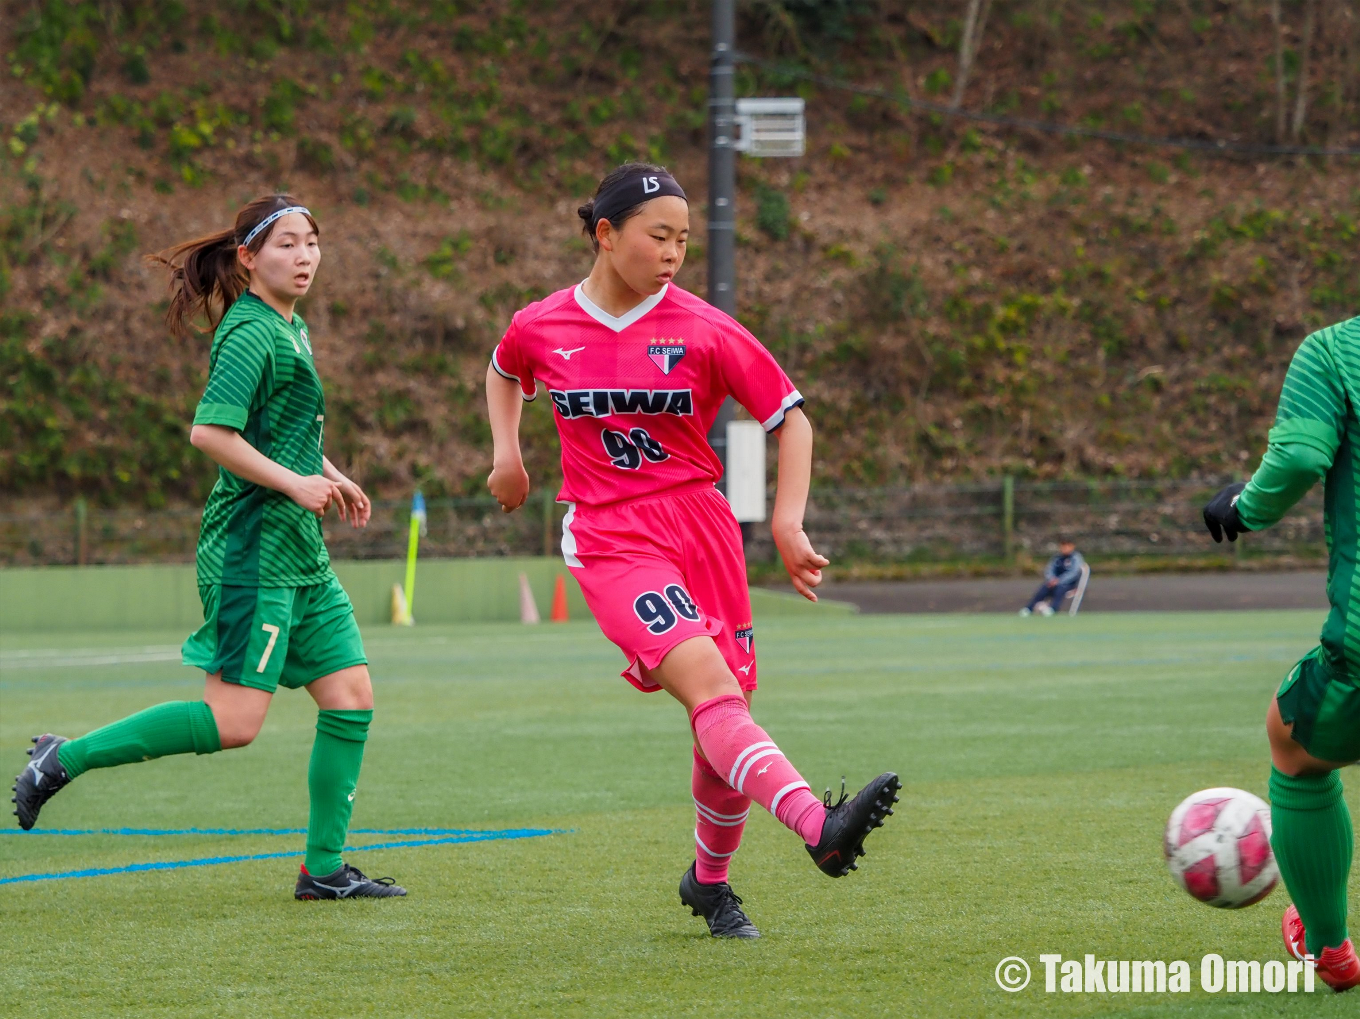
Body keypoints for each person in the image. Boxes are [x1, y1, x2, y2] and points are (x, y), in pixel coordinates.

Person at [485, 162, 899, 939]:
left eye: (684, 238)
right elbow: (505, 368)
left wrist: (786, 522)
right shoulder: (543, 323)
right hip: (610, 535)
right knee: (710, 685)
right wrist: (508, 453)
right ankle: (820, 826)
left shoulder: (703, 327)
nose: (674, 251)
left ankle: (709, 884)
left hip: (701, 531)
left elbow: (791, 414)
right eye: (659, 235)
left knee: (725, 715)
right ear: (606, 235)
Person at [10, 195, 405, 901]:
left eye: (312, 242)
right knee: (234, 722)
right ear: (249, 256)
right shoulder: (250, 332)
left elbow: (282, 433)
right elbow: (211, 435)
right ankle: (62, 758)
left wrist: (332, 477)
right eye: (287, 244)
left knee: (350, 696)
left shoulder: (292, 326)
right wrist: (296, 484)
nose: (305, 255)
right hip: (252, 552)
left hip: (300, 552)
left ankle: (323, 869)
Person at [1203, 314, 1360, 990]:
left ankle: (1330, 947)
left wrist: (1245, 506)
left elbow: (1298, 457)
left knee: (1292, 742)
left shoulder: (1336, 350)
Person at [1019, 539, 1085, 617]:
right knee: (1044, 588)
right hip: (1054, 582)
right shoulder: (1057, 558)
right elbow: (1049, 569)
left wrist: (1059, 580)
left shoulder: (1075, 558)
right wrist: (1052, 579)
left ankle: (1053, 609)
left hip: (1069, 584)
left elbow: (1073, 573)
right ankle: (1029, 608)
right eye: (1063, 546)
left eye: (1067, 546)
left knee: (1060, 589)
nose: (1065, 548)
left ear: (1072, 547)